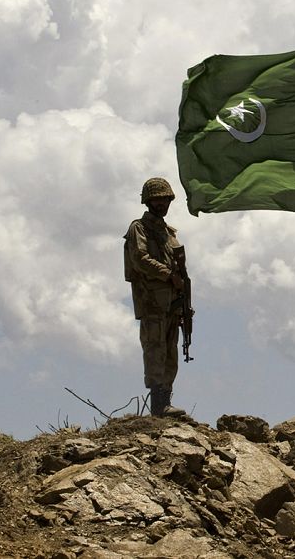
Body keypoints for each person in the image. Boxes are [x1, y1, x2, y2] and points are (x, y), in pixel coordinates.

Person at [124, 177, 191, 417]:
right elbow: (140, 259)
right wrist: (168, 275)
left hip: (172, 303)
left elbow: (180, 270)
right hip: (152, 301)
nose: (162, 204)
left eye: (165, 199)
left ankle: (166, 402)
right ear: (148, 201)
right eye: (157, 200)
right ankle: (158, 406)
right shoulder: (139, 228)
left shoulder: (168, 232)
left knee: (170, 353)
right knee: (155, 350)